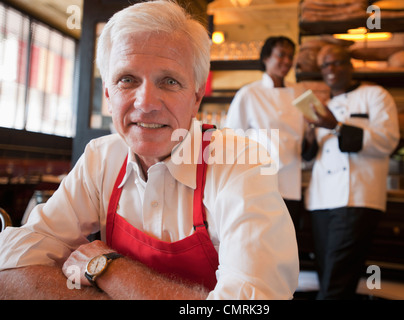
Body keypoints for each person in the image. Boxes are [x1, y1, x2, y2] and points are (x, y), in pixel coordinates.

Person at [0, 0, 299, 300]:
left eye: (169, 81)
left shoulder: (239, 164)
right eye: (127, 80)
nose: (146, 103)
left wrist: (112, 270)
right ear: (108, 94)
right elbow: (10, 266)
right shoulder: (101, 157)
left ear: (196, 98)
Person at [303, 44, 400, 299]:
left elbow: (387, 141)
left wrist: (336, 126)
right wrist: (310, 134)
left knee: (335, 284)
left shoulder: (376, 96)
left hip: (357, 198)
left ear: (350, 66)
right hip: (321, 201)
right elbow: (310, 157)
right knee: (328, 278)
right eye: (325, 65)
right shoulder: (323, 106)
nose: (330, 69)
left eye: (337, 63)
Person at [224, 36, 311, 239]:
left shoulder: (300, 93)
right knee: (260, 240)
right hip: (259, 181)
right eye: (281, 55)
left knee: (287, 242)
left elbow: (310, 134)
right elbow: (230, 139)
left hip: (291, 181)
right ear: (265, 58)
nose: (287, 61)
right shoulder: (249, 93)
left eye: (290, 56)